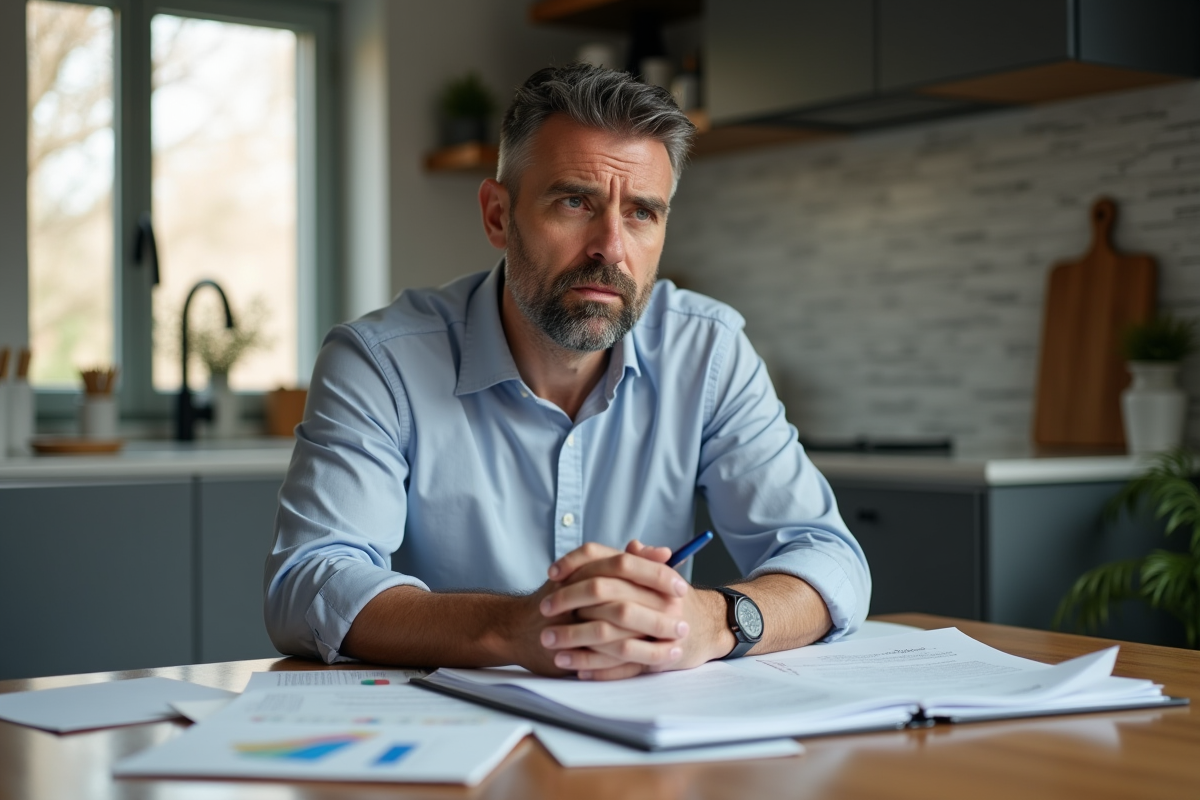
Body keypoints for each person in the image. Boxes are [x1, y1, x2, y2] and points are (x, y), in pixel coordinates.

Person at [264, 64, 869, 682]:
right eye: (574, 201)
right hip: (450, 746)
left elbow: (828, 559)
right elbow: (309, 584)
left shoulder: (708, 351)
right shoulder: (380, 361)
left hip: (651, 748)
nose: (610, 246)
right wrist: (517, 627)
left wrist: (711, 622)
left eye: (641, 212)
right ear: (499, 215)